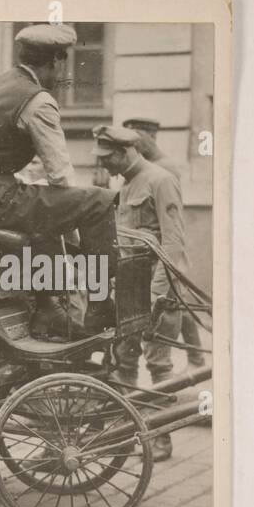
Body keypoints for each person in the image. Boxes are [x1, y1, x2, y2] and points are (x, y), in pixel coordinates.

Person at [0, 23, 119, 482]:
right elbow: (59, 175)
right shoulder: (38, 101)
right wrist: (77, 231)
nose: (63, 71)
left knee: (44, 211)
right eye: (62, 64)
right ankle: (101, 302)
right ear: (55, 62)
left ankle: (53, 298)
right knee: (95, 201)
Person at [94, 125, 189, 461]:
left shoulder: (160, 180)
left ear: (126, 151)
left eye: (109, 159)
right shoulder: (125, 183)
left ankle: (162, 439)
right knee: (125, 361)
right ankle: (128, 437)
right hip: (130, 288)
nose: (105, 166)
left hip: (156, 287)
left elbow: (173, 241)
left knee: (159, 364)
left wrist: (158, 293)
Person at [123, 116, 204, 368]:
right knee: (179, 301)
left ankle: (196, 358)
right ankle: (197, 358)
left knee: (175, 304)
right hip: (157, 247)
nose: (133, 147)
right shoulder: (143, 167)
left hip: (166, 246)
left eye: (137, 139)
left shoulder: (164, 168)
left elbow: (169, 219)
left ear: (150, 137)